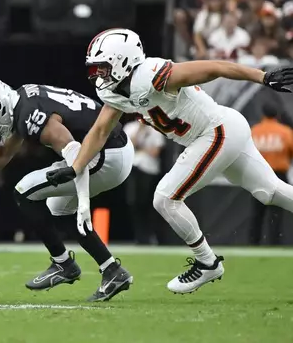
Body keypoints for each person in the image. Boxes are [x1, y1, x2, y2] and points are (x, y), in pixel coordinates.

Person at [46, 28, 293, 295]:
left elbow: (215, 67)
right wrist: (75, 167)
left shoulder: (150, 74)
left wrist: (263, 77)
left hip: (216, 130)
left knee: (165, 198)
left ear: (123, 60)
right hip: (220, 131)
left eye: (103, 67)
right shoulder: (117, 91)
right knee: (269, 192)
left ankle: (207, 261)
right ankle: (207, 261)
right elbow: (100, 131)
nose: (97, 75)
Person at [0, 80, 134, 302]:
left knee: (24, 192)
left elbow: (76, 153)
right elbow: (3, 153)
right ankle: (112, 271)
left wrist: (84, 201)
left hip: (105, 154)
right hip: (114, 148)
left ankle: (63, 264)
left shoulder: (29, 114)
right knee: (58, 208)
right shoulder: (22, 101)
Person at [249, 103, 293, 245]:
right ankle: (275, 243)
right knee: (276, 213)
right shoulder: (285, 131)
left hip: (258, 175)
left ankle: (253, 243)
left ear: (263, 114)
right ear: (277, 116)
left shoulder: (255, 131)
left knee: (257, 213)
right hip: (278, 175)